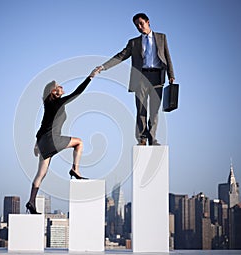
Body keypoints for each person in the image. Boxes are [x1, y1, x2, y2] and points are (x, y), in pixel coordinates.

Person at [26, 68, 99, 214]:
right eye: (58, 87)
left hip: (43, 142)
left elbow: (42, 125)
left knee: (41, 174)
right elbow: (77, 92)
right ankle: (75, 169)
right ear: (54, 92)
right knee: (79, 142)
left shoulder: (48, 105)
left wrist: (36, 144)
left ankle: (31, 202)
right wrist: (90, 77)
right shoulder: (57, 103)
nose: (61, 87)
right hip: (53, 140)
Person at [96, 13, 175, 145]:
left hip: (157, 77)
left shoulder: (161, 37)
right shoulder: (134, 42)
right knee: (141, 109)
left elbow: (167, 56)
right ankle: (142, 139)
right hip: (141, 78)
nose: (139, 27)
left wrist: (171, 75)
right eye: (136, 25)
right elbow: (121, 56)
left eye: (141, 23)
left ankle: (153, 138)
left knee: (154, 111)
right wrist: (104, 66)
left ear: (148, 22)